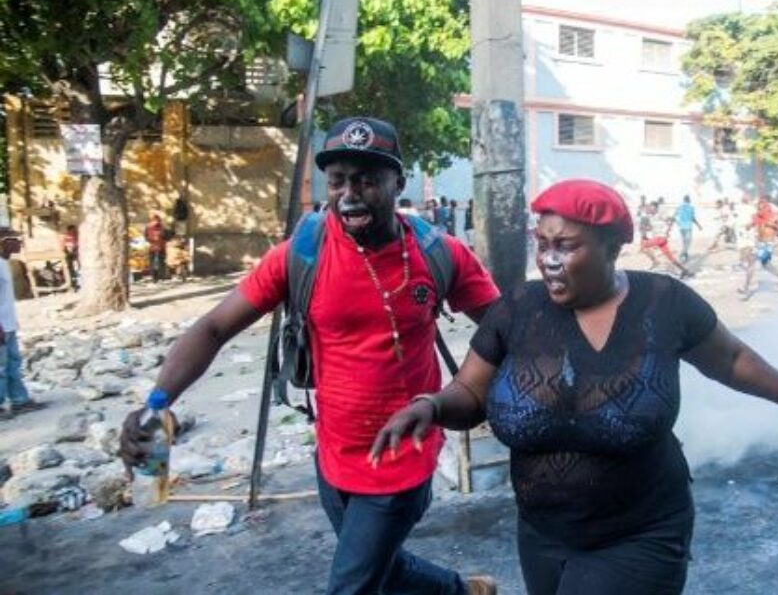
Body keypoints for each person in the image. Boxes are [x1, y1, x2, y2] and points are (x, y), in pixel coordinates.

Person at [371, 179, 778, 595]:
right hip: (543, 535)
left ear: (612, 247)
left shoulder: (666, 303)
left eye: (567, 246)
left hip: (640, 532)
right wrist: (432, 405)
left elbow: (734, 361)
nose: (548, 259)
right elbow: (471, 393)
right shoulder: (516, 310)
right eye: (542, 244)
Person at [118, 117, 500, 595]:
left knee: (351, 585)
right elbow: (214, 326)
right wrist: (156, 402)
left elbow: (505, 326)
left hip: (406, 454)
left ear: (397, 183)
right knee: (377, 568)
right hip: (333, 453)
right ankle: (466, 592)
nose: (349, 194)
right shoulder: (302, 254)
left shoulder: (438, 253)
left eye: (366, 180)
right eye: (338, 180)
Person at [0, 229, 46, 420]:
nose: (19, 243)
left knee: (13, 363)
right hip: (1, 326)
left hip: (8, 324)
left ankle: (19, 399)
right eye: (14, 240)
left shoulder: (4, 264)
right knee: (1, 367)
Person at [739, 198, 778, 299]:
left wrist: (773, 225)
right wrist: (748, 226)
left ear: (766, 206)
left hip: (768, 244)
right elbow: (753, 224)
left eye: (762, 206)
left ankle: (746, 289)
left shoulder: (774, 216)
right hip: (759, 243)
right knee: (766, 265)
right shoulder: (757, 216)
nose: (759, 208)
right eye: (758, 206)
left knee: (751, 262)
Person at [639, 202, 691, 278]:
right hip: (660, 239)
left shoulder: (660, 214)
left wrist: (669, 225)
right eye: (651, 208)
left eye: (653, 208)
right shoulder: (651, 217)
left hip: (660, 238)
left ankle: (655, 262)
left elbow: (669, 219)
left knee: (643, 246)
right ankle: (684, 270)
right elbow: (651, 228)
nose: (651, 209)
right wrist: (645, 228)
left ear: (656, 208)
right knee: (670, 257)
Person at [673, 195, 702, 262]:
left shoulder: (679, 207)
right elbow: (692, 218)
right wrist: (698, 225)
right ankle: (682, 254)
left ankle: (685, 255)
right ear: (689, 200)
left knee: (684, 242)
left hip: (681, 227)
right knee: (688, 242)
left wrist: (678, 223)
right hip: (688, 227)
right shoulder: (691, 207)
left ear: (683, 199)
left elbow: (674, 216)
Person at [145, 213, 167, 282]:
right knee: (157, 262)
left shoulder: (160, 227)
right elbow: (146, 236)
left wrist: (152, 240)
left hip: (157, 247)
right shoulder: (150, 227)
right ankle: (157, 277)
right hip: (157, 247)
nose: (156, 222)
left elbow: (165, 236)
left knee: (157, 262)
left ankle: (158, 277)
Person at [61, 224, 80, 291]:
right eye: (73, 230)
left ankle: (77, 284)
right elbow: (63, 246)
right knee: (71, 270)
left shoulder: (75, 236)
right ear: (70, 230)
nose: (74, 231)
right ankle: (74, 285)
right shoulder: (67, 237)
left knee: (76, 269)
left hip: (74, 255)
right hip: (69, 256)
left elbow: (76, 245)